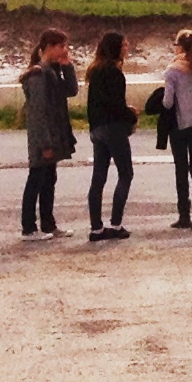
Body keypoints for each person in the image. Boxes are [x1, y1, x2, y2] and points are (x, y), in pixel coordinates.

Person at [18, 29, 78, 238]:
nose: (65, 50)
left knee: (49, 179)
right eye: (61, 46)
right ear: (49, 47)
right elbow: (39, 112)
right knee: (36, 179)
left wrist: (67, 66)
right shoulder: (38, 74)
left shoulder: (52, 70)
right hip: (43, 137)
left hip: (53, 134)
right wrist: (45, 144)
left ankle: (48, 224)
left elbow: (71, 90)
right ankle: (29, 227)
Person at [154, 28, 192, 230]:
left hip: (179, 125)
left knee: (181, 168)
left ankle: (184, 215)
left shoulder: (173, 71)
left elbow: (168, 102)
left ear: (180, 48)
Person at [84, 31, 138, 240]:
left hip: (97, 129)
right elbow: (116, 106)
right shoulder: (115, 73)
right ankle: (116, 224)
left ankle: (96, 228)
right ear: (116, 48)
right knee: (125, 173)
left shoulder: (95, 72)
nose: (126, 49)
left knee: (99, 178)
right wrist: (132, 115)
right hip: (113, 129)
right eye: (124, 45)